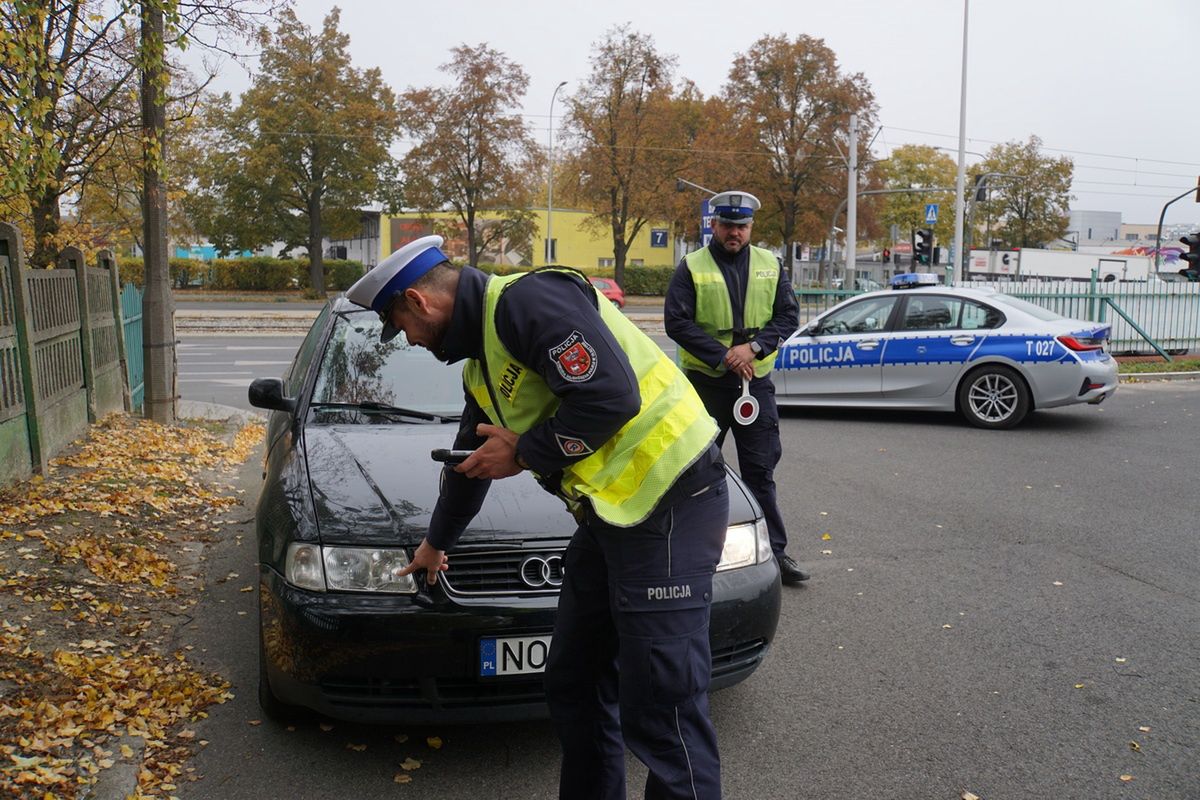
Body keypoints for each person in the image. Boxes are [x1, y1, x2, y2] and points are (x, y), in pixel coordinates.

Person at [346, 235, 729, 799]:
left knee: (662, 707)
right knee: (574, 683)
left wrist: (525, 452)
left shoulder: (528, 302)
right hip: (612, 519)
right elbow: (470, 463)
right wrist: (436, 541)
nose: (410, 339)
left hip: (673, 504)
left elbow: (611, 395)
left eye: (402, 326)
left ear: (418, 302)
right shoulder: (481, 367)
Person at [664, 191, 810, 586]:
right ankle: (687, 553)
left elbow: (787, 315)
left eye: (741, 226)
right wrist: (724, 355)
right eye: (728, 225)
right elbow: (677, 323)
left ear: (750, 228)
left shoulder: (770, 264)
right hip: (706, 384)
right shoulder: (691, 267)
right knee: (693, 469)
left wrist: (754, 347)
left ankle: (775, 555)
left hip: (754, 384)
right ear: (714, 225)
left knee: (760, 472)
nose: (735, 233)